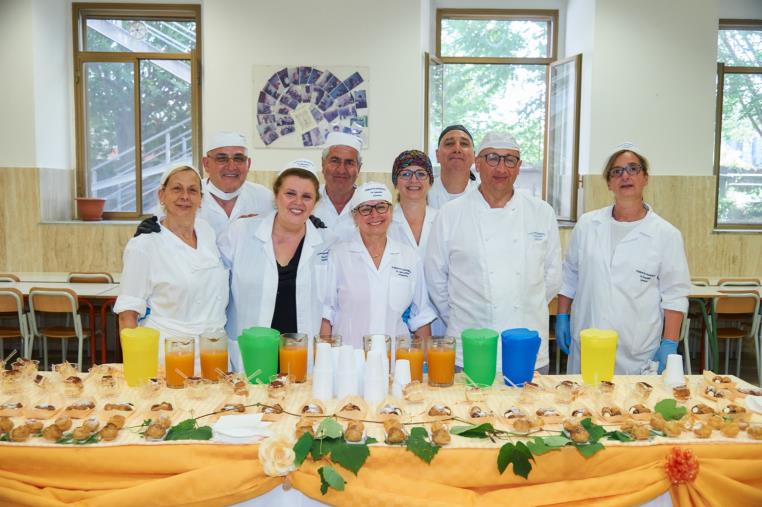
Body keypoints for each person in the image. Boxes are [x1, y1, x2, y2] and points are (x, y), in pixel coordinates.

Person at [425, 131, 561, 373]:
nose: (501, 168)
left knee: (529, 410)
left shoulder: (542, 213)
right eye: (492, 158)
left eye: (510, 160)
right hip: (470, 346)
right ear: (477, 163)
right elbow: (436, 280)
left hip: (527, 346)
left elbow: (551, 277)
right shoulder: (450, 214)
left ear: (518, 167)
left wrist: (525, 303)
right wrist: (465, 317)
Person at [555, 144, 691, 374]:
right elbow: (569, 276)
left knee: (633, 408)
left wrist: (669, 342)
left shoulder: (666, 234)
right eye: (616, 171)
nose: (625, 176)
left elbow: (675, 295)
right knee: (584, 406)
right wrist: (561, 315)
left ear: (645, 178)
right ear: (609, 183)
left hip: (636, 353)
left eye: (633, 169)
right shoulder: (588, 224)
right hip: (587, 343)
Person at [219, 159, 335, 372]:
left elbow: (330, 304)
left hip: (300, 356)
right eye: (290, 193)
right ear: (276, 195)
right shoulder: (241, 232)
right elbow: (214, 285)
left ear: (315, 202)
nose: (298, 202)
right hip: (252, 354)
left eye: (306, 196)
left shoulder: (326, 242)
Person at [114, 164, 229, 366]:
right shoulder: (144, 245)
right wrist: (137, 369)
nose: (185, 196)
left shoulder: (207, 231)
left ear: (200, 199)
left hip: (214, 351)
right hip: (167, 354)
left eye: (192, 190)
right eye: (177, 189)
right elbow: (127, 315)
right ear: (162, 195)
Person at [321, 182, 437, 348]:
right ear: (354, 216)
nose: (374, 215)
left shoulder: (408, 257)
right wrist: (326, 360)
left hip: (396, 362)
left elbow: (421, 318)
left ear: (390, 212)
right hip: (349, 361)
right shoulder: (338, 255)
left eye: (381, 207)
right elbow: (327, 315)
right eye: (366, 209)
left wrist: (424, 368)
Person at [136, 131, 274, 238]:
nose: (231, 167)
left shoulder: (265, 198)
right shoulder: (187, 198)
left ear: (248, 164)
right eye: (222, 159)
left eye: (239, 159)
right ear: (206, 164)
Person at [386, 149, 445, 335]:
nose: (413, 180)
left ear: (430, 181)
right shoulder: (382, 224)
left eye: (421, 174)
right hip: (398, 322)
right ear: (395, 182)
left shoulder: (444, 220)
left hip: (443, 319)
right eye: (405, 174)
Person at [312, 132, 363, 240]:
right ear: (323, 164)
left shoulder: (369, 205)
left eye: (349, 163)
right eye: (335, 161)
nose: (341, 170)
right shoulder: (308, 200)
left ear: (359, 168)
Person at [428, 125, 479, 209]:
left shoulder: (486, 194)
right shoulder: (422, 194)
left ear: (474, 156)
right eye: (449, 144)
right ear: (437, 155)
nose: (457, 149)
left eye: (464, 144)